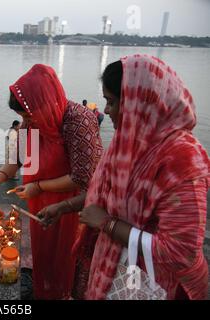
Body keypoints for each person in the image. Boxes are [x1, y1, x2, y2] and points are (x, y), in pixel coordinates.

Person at [38, 55, 209, 300]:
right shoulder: (130, 141)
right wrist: (63, 207)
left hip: (157, 284)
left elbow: (179, 252)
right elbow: (107, 193)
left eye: (111, 101)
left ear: (139, 102)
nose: (106, 110)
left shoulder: (182, 160)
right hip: (118, 270)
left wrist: (107, 224)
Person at [0, 64, 103, 299]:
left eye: (28, 114)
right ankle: (47, 290)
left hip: (73, 205)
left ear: (44, 102)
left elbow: (83, 177)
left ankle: (64, 293)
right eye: (22, 117)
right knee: (44, 253)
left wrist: (37, 186)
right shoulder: (32, 122)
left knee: (67, 259)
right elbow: (18, 159)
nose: (26, 121)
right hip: (40, 201)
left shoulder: (77, 121)